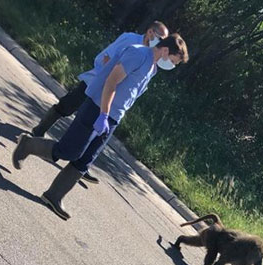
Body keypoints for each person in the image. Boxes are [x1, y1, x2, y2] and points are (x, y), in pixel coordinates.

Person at [12, 34, 188, 220]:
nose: (172, 65)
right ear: (166, 50)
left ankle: (54, 196)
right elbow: (111, 81)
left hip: (112, 117)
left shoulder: (152, 67)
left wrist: (111, 117)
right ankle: (27, 145)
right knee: (69, 151)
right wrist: (103, 113)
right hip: (97, 108)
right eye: (174, 61)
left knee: (85, 160)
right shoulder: (138, 54)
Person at [31, 21, 171, 184]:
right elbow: (106, 57)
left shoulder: (152, 59)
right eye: (160, 38)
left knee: (93, 133)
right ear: (150, 32)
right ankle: (39, 131)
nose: (162, 42)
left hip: (109, 96)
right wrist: (111, 77)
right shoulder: (130, 39)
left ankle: (80, 165)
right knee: (67, 107)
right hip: (95, 83)